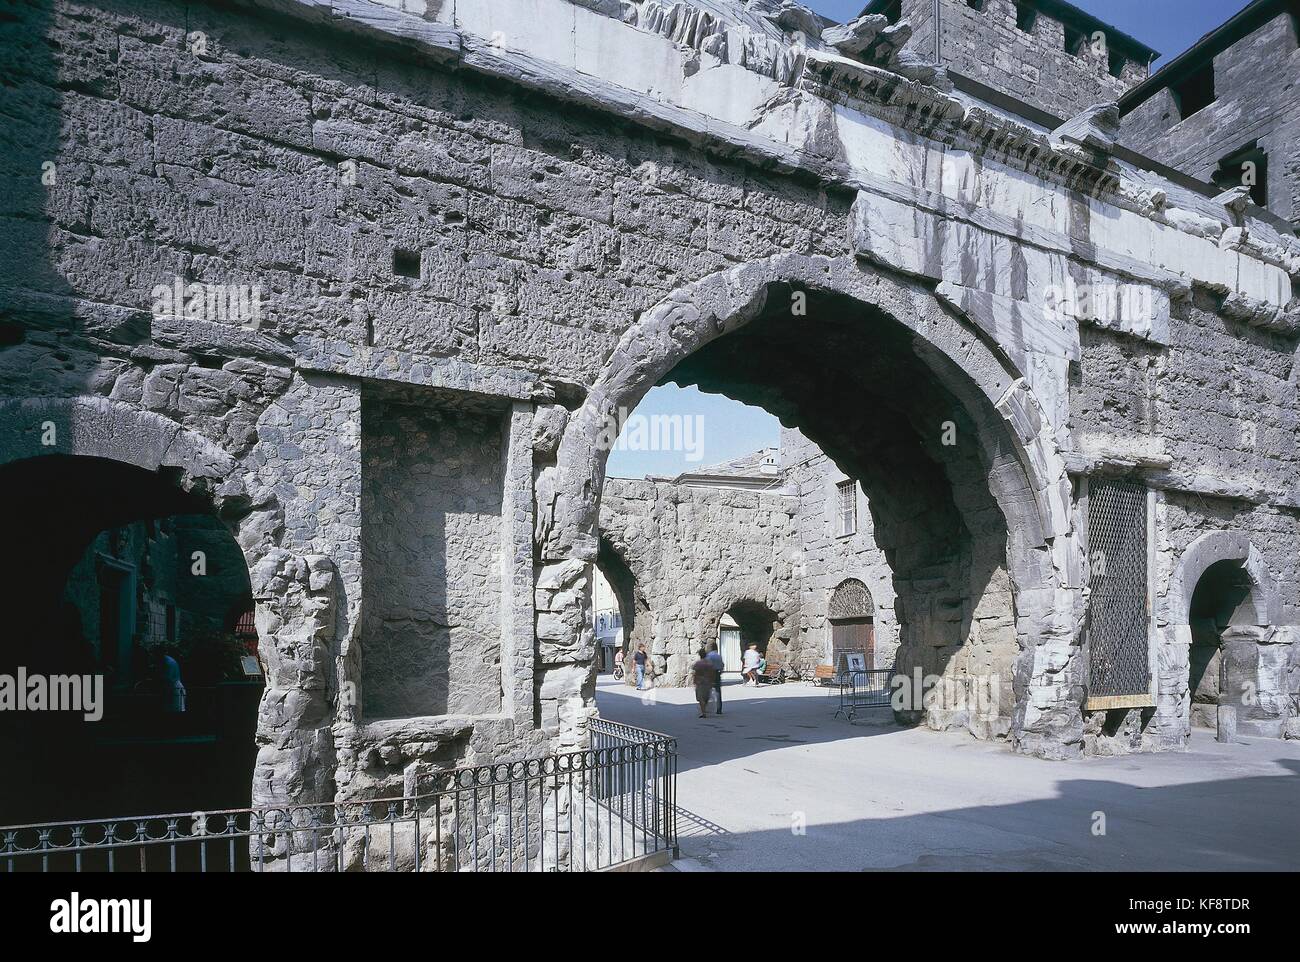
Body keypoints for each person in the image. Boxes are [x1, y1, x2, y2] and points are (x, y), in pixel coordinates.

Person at [690, 648, 717, 718]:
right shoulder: (709, 663)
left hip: (700, 682)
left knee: (700, 698)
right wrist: (712, 681)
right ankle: (704, 709)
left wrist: (694, 681)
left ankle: (703, 712)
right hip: (708, 681)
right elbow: (712, 673)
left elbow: (695, 673)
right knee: (706, 697)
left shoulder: (698, 663)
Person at [705, 641, 725, 714]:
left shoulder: (708, 656)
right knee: (718, 692)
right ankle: (719, 709)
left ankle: (705, 707)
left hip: (710, 674)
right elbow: (722, 665)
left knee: (707, 691)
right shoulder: (718, 656)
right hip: (717, 673)